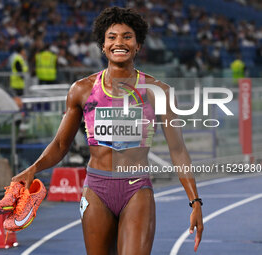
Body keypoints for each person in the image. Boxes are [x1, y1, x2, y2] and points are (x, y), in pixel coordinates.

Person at [11, 7, 203, 254]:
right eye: (112, 37)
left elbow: (177, 150)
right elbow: (60, 145)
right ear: (103, 46)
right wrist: (32, 169)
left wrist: (195, 201)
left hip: (136, 189)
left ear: (138, 45)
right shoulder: (81, 90)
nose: (119, 42)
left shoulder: (158, 92)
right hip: (96, 190)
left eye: (127, 36)